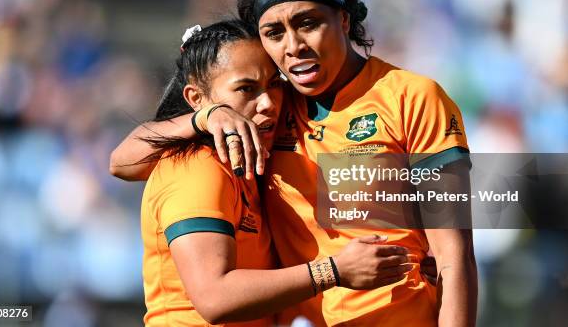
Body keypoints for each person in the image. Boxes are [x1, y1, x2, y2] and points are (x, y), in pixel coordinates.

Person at [111, 0, 476, 327]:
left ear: (344, 20)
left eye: (308, 23)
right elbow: (122, 161)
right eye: (274, 32)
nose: (293, 46)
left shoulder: (412, 99)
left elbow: (455, 259)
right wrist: (204, 118)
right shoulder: (271, 108)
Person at [136, 20, 415, 327]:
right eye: (246, 89)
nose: (268, 103)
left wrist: (422, 251)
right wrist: (333, 270)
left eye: (274, 84)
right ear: (197, 99)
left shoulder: (256, 164)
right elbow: (214, 299)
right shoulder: (196, 168)